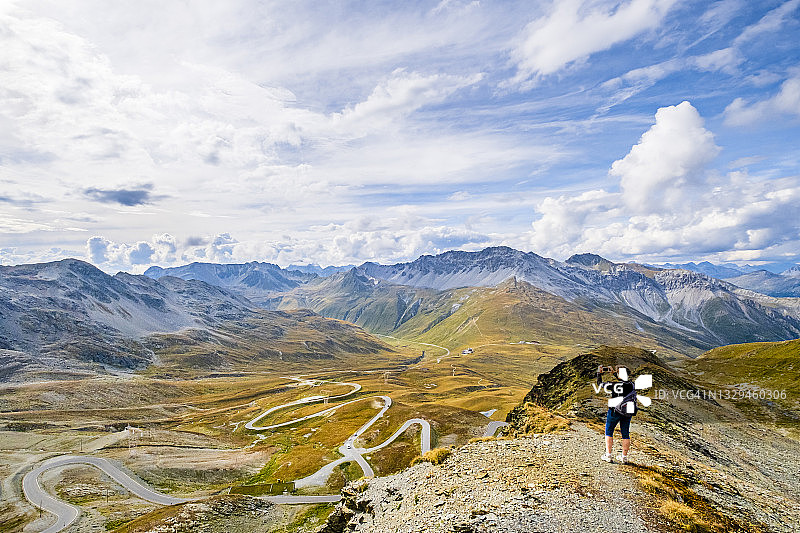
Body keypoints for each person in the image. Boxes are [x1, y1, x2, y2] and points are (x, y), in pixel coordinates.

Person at [597, 365, 634, 464]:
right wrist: (615, 373)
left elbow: (599, 384)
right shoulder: (632, 385)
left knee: (609, 431)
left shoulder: (614, 385)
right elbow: (624, 381)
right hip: (627, 412)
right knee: (625, 433)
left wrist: (599, 373)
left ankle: (608, 455)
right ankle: (624, 457)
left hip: (614, 411)